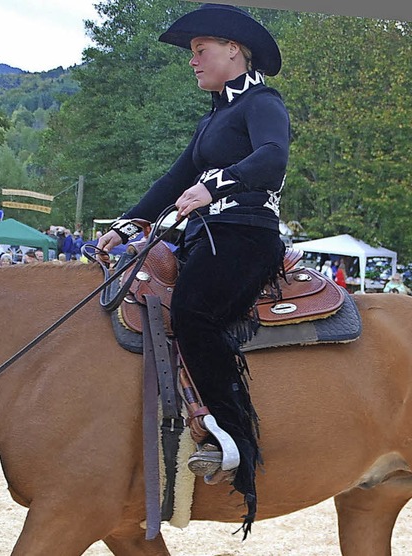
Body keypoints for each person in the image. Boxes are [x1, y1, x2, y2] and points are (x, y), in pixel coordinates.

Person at [96, 3, 290, 533]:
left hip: (247, 236)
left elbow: (273, 157)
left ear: (234, 49)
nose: (192, 60)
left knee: (194, 310)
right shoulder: (212, 120)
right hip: (206, 236)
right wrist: (126, 223)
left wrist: (216, 184)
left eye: (199, 50)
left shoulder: (262, 101)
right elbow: (172, 179)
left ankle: (231, 438)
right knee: (145, 292)